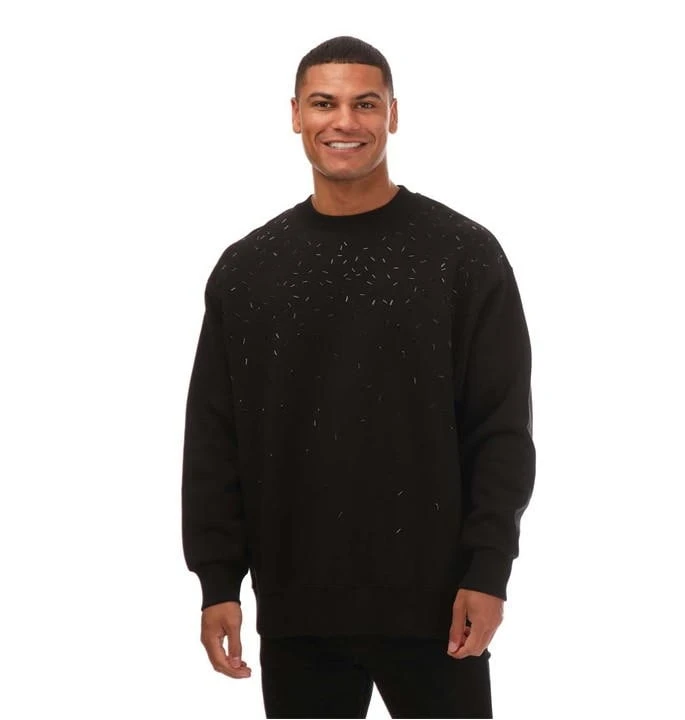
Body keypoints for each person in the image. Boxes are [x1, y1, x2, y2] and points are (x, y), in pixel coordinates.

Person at [181, 35, 535, 719]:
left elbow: (500, 429)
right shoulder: (248, 269)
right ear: (295, 114)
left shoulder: (463, 256)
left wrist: (489, 570)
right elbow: (214, 439)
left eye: (365, 104)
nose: (344, 121)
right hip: (297, 612)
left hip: (440, 609)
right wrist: (217, 581)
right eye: (324, 103)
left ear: (393, 114)